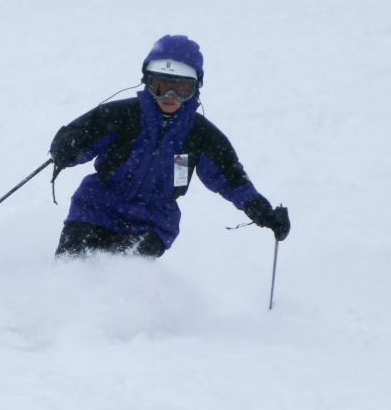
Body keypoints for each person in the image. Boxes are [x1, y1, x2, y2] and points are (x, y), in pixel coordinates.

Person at [49, 34, 290, 258]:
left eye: (182, 89)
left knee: (122, 272)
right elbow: (78, 137)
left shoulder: (200, 135)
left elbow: (231, 178)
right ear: (148, 82)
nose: (170, 96)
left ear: (195, 88)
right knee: (73, 264)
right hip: (95, 209)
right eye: (162, 87)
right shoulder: (121, 116)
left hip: (152, 223)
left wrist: (262, 211)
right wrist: (66, 148)